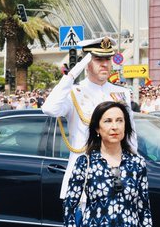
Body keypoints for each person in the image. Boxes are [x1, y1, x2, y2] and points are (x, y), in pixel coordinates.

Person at [42, 36, 132, 198]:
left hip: (116, 178)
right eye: (98, 59)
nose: (104, 64)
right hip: (83, 179)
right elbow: (49, 109)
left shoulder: (121, 93)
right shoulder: (73, 92)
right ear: (87, 63)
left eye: (108, 59)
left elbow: (131, 137)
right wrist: (72, 74)